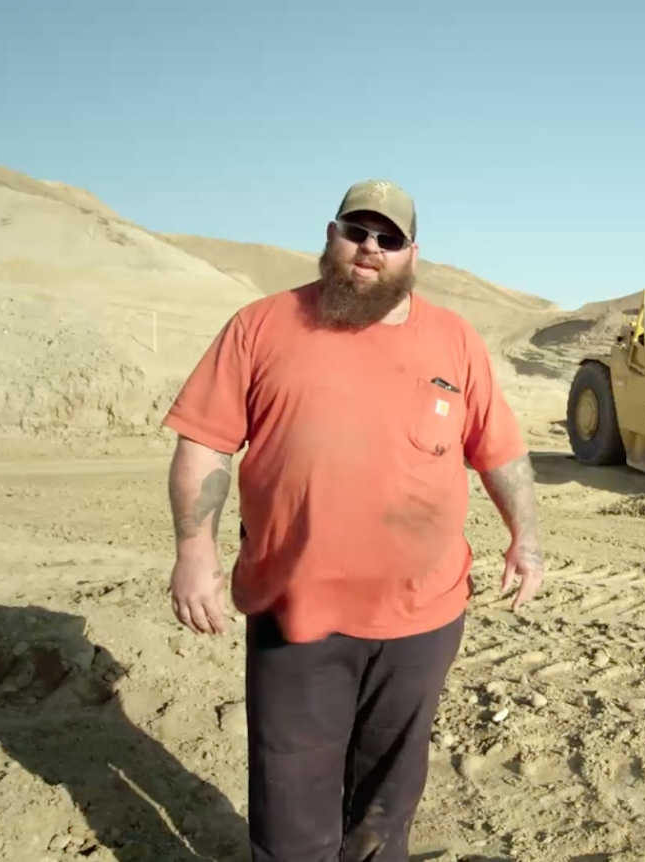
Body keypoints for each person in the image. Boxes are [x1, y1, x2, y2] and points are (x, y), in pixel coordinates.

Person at [161, 179, 545, 862]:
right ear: (331, 236)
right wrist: (196, 549)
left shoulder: (455, 341)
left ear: (411, 254)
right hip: (298, 609)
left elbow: (502, 453)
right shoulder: (261, 326)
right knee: (292, 802)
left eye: (388, 237)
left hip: (423, 618)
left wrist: (528, 539)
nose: (370, 247)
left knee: (386, 801)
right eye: (356, 230)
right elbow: (205, 443)